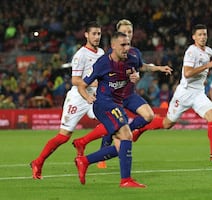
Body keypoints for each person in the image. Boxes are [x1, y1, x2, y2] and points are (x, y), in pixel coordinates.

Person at [72, 19, 172, 168]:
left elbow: (140, 67)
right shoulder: (109, 57)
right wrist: (89, 94)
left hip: (129, 95)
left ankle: (126, 133)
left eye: (130, 32)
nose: (127, 35)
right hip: (112, 99)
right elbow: (101, 77)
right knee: (116, 133)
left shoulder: (134, 53)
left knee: (148, 116)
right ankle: (101, 156)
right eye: (124, 32)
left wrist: (157, 68)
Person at [132, 24, 212, 162]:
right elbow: (187, 73)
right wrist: (207, 66)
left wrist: (203, 78)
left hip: (198, 93)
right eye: (200, 35)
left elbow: (201, 72)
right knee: (167, 124)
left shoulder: (209, 51)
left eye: (205, 34)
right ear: (194, 37)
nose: (203, 37)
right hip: (184, 94)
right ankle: (141, 129)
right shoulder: (191, 51)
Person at [30, 21, 105, 179]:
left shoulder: (101, 53)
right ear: (86, 35)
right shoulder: (80, 55)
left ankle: (82, 142)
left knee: (111, 123)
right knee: (63, 136)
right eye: (94, 34)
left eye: (99, 34)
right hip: (78, 97)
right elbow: (75, 80)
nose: (97, 37)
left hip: (95, 95)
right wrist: (94, 84)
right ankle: (38, 162)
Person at [75, 31, 145, 188]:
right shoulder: (103, 63)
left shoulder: (132, 59)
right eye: (122, 45)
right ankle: (125, 180)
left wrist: (135, 78)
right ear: (113, 46)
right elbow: (82, 84)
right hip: (103, 104)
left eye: (128, 44)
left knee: (122, 145)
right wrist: (86, 96)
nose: (126, 48)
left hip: (118, 104)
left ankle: (84, 161)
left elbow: (134, 75)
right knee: (127, 134)